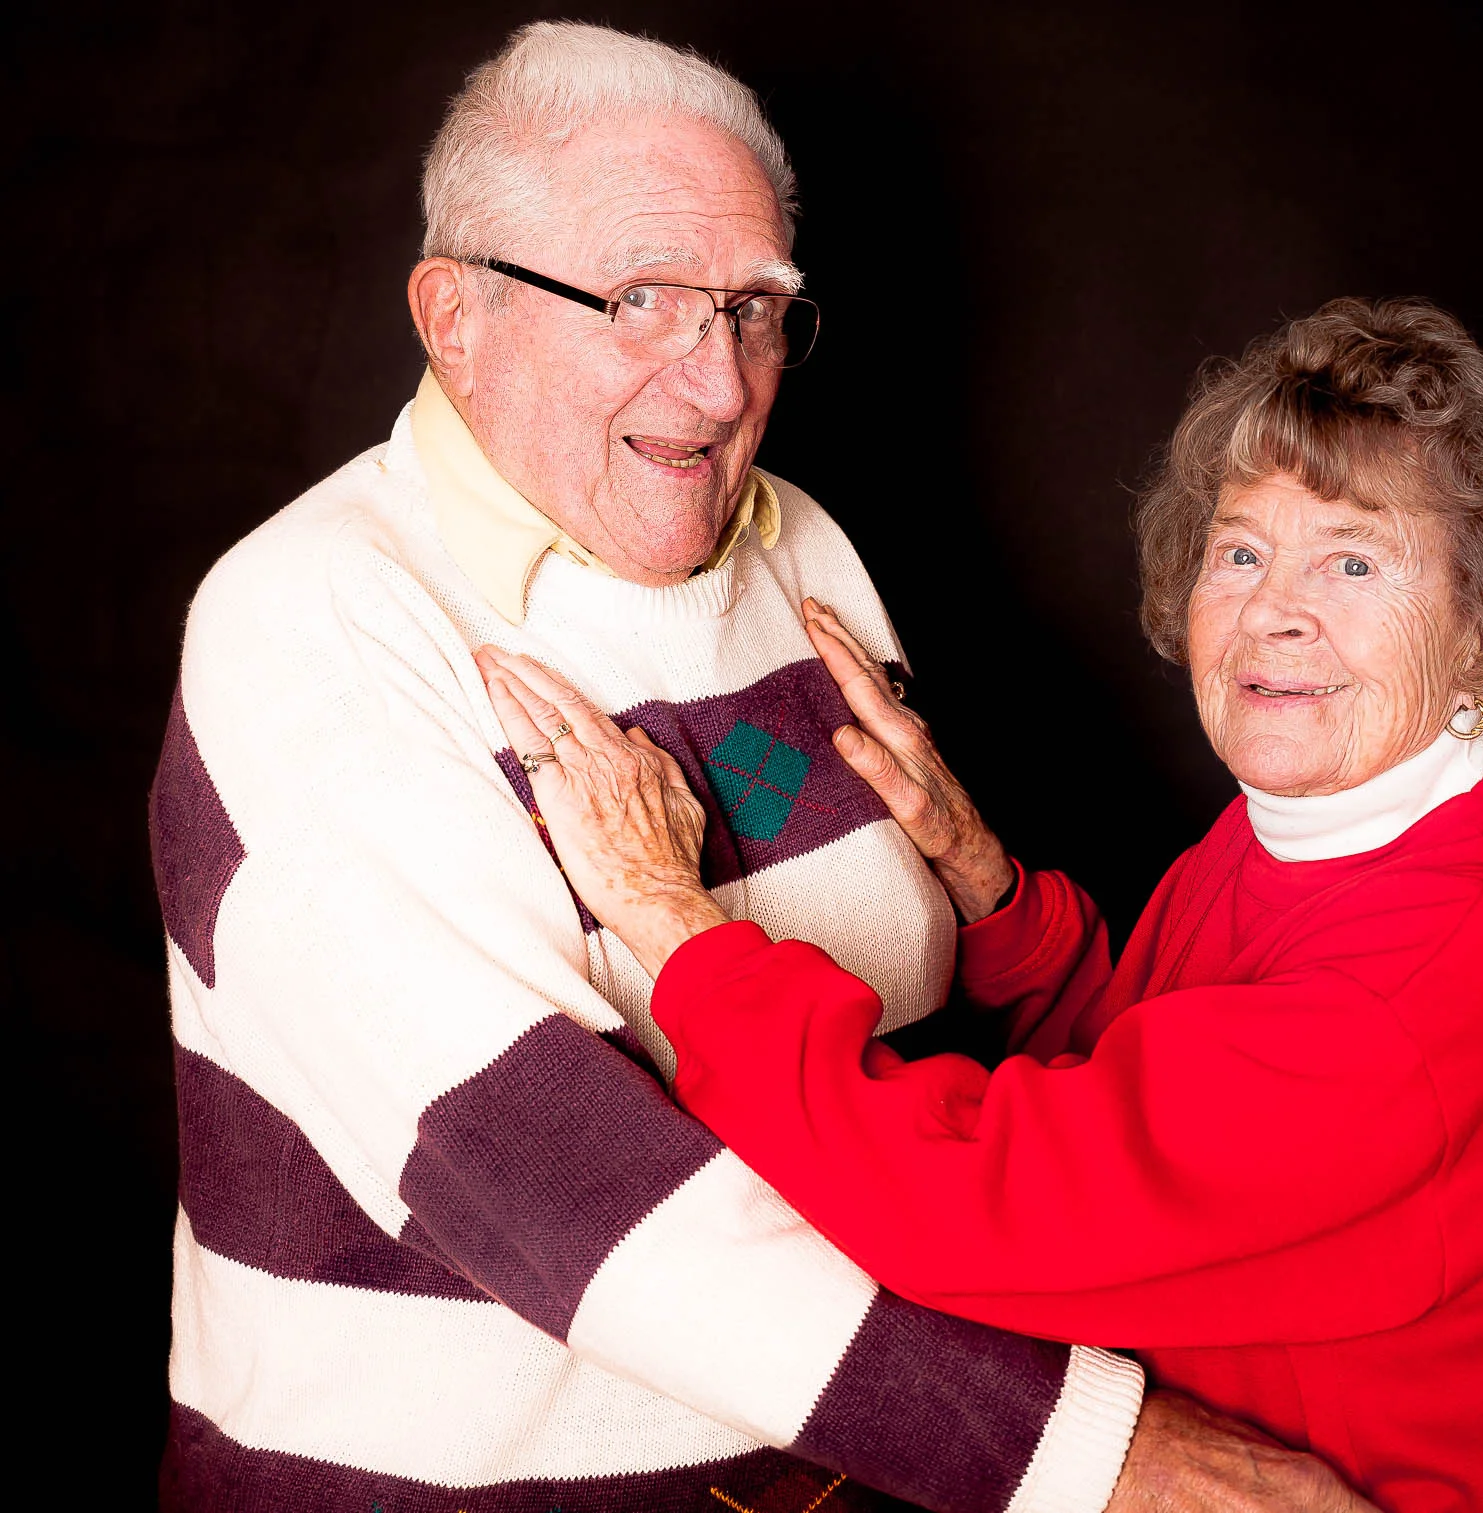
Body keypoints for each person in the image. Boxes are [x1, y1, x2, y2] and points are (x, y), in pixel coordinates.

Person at [148, 21, 1366, 1513]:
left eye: (753, 309)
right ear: (450, 314)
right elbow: (547, 1175)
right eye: (640, 298)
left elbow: (902, 1070)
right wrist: (1092, 1451)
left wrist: (987, 902)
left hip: (863, 1476)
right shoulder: (306, 627)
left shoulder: (800, 544)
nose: (718, 383)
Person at [478, 297, 1483, 1512]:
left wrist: (675, 922)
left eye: (1353, 561)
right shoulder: (1337, 823)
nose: (1271, 610)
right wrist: (987, 884)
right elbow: (1167, 1090)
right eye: (1240, 551)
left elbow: (956, 1208)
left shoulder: (1445, 973)